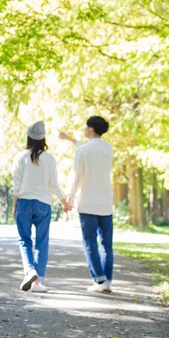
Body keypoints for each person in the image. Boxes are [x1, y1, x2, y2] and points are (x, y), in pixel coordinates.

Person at [12, 121, 70, 293]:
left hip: (24, 202)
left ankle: (29, 270)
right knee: (42, 242)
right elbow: (54, 184)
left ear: (28, 137)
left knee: (24, 240)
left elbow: (16, 184)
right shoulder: (50, 159)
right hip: (43, 204)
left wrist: (15, 205)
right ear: (43, 138)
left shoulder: (20, 157)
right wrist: (63, 200)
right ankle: (38, 282)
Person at [59, 116, 114, 294]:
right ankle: (107, 281)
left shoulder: (83, 151)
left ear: (90, 129)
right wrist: (69, 139)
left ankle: (99, 281)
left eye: (85, 127)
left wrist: (69, 197)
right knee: (107, 245)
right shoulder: (108, 149)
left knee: (90, 243)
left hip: (88, 203)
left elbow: (76, 177)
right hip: (106, 202)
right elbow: (86, 146)